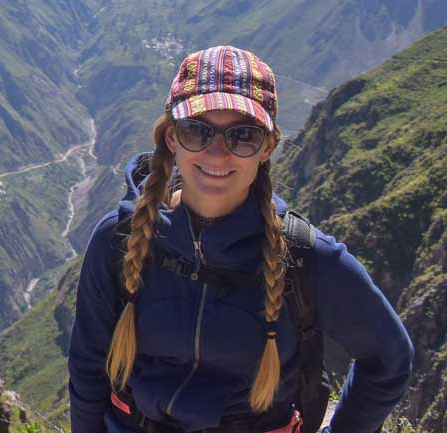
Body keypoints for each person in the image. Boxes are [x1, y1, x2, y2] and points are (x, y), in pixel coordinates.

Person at [67, 45, 413, 433]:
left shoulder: (304, 259)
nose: (217, 154)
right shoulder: (119, 240)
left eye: (242, 136)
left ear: (267, 147)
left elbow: (389, 358)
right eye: (197, 131)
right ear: (171, 138)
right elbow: (88, 367)